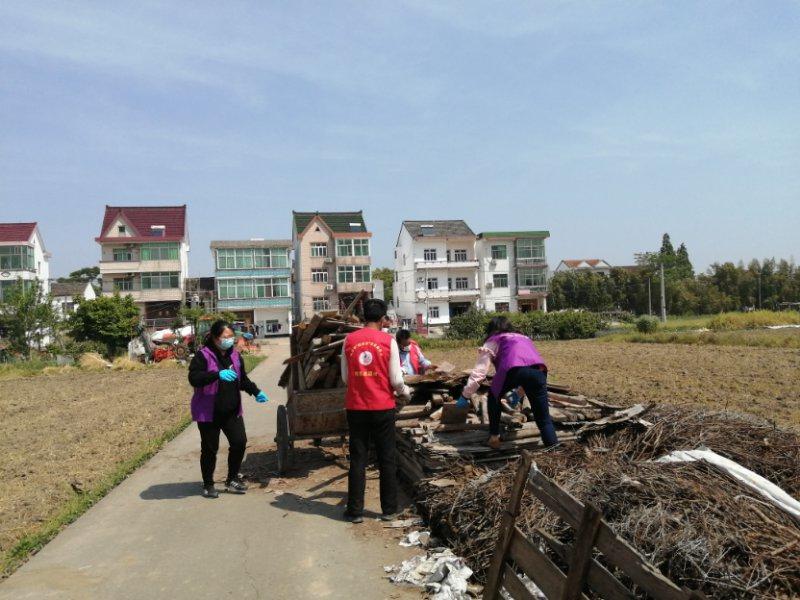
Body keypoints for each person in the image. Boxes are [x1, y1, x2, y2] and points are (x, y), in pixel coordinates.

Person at [341, 299, 411, 523]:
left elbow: (345, 378)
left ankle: (355, 511)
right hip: (382, 407)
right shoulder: (387, 341)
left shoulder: (349, 340)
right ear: (382, 319)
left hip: (356, 407)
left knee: (358, 459)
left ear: (363, 317)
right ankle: (389, 510)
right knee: (386, 458)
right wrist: (404, 391)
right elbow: (396, 379)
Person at [189, 319, 269, 499]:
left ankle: (232, 478)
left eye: (231, 336)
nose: (230, 340)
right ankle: (208, 484)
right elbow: (194, 378)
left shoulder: (235, 356)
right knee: (210, 449)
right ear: (216, 338)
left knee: (239, 442)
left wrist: (256, 392)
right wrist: (216, 374)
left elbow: (243, 380)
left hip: (231, 410)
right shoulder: (203, 356)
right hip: (209, 412)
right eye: (226, 337)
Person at [457, 316, 558, 450]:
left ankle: (494, 438)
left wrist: (465, 395)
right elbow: (529, 368)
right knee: (543, 418)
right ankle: (553, 447)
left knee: (493, 398)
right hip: (539, 372)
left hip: (512, 371)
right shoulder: (524, 337)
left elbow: (480, 373)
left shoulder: (494, 340)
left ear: (491, 329)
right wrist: (519, 393)